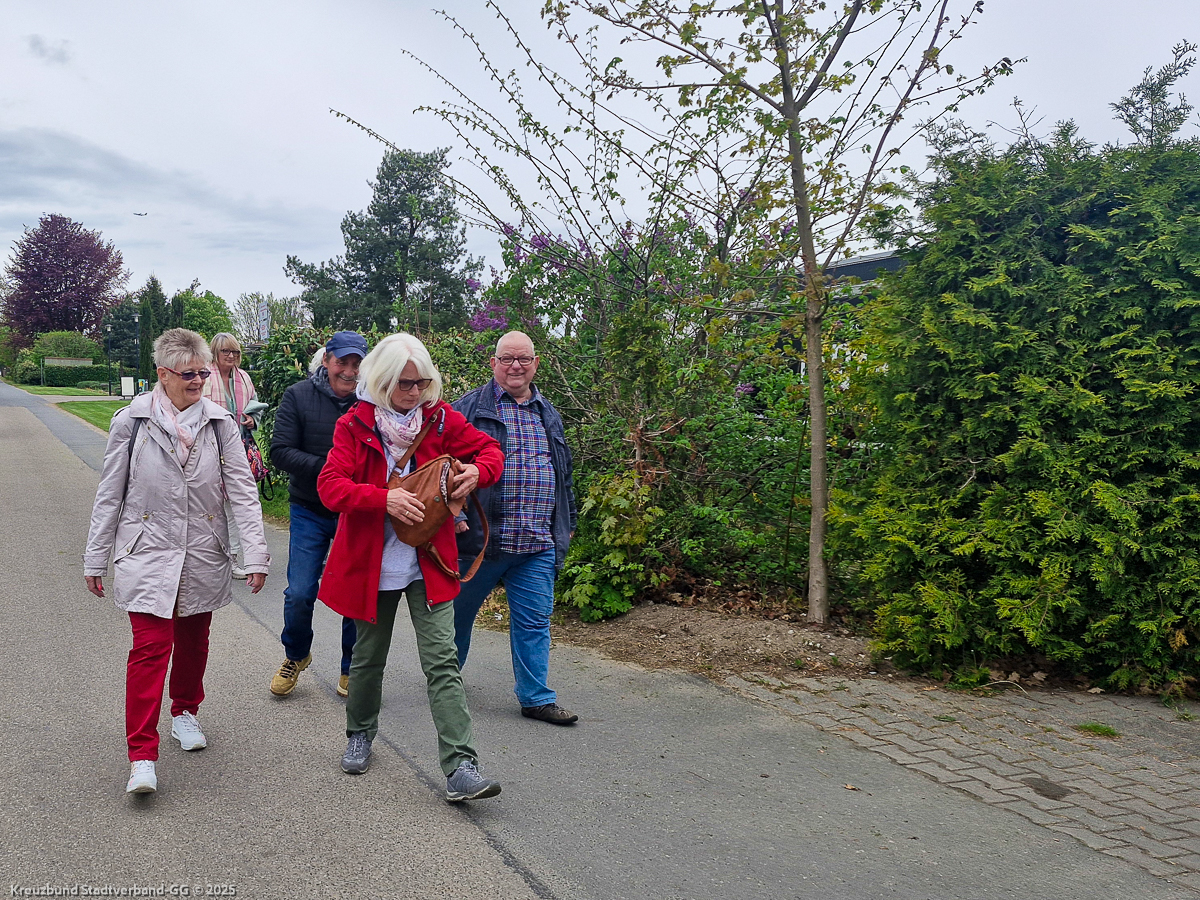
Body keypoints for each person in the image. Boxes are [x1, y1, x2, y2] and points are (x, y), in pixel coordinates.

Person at [317, 332, 505, 801]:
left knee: (442, 661)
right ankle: (360, 733)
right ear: (382, 381)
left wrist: (478, 472)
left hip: (430, 561)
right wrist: (383, 499)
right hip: (371, 565)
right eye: (405, 383)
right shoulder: (353, 425)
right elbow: (330, 487)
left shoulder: (439, 418)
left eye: (421, 382)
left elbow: (490, 452)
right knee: (368, 659)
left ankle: (461, 766)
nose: (415, 391)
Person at [83, 328, 270, 795]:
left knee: (193, 641)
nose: (199, 381)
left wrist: (255, 554)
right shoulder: (132, 422)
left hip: (202, 548)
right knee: (150, 649)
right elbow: (110, 494)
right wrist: (95, 557)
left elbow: (243, 493)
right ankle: (141, 756)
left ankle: (185, 710)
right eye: (189, 374)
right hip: (146, 549)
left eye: (203, 372)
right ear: (163, 374)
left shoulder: (221, 424)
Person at [452, 331, 579, 725]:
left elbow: (564, 475)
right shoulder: (469, 408)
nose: (516, 366)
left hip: (536, 542)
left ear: (535, 364)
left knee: (534, 622)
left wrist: (568, 524)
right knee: (456, 619)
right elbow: (439, 466)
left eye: (523, 359)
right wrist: (454, 516)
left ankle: (536, 697)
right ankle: (446, 683)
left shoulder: (548, 412)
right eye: (507, 359)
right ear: (493, 363)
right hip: (479, 541)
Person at [268, 331, 368, 698]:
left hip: (354, 511)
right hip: (309, 507)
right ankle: (296, 654)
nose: (349, 371)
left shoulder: (372, 402)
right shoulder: (298, 396)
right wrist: (331, 469)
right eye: (342, 362)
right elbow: (280, 451)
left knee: (354, 592)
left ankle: (351, 668)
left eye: (357, 364)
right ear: (326, 360)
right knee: (299, 592)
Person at [202, 332, 261, 579]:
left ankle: (233, 557)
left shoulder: (244, 378)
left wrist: (252, 419)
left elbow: (255, 405)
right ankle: (211, 557)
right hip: (208, 449)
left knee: (236, 504)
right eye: (225, 351)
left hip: (238, 450)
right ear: (215, 353)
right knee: (211, 506)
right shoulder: (204, 376)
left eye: (235, 351)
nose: (231, 356)